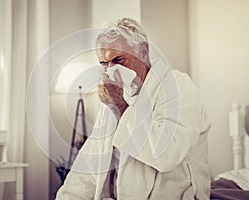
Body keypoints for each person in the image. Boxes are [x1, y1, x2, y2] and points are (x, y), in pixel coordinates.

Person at [56, 18, 211, 200]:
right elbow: (91, 162)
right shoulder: (114, 97)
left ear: (143, 51)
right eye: (104, 64)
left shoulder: (179, 87)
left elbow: (165, 155)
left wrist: (120, 107)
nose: (110, 72)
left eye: (118, 60)